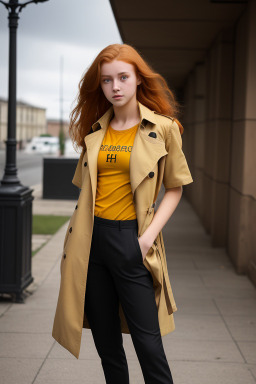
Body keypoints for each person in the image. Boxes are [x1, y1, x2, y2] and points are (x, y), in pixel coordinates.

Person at [52, 43, 193, 383]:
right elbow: (86, 191)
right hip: (91, 242)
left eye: (123, 78)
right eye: (106, 80)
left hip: (131, 238)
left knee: (148, 344)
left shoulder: (163, 128)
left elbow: (175, 188)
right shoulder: (94, 132)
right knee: (106, 343)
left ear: (138, 80)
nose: (114, 87)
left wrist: (144, 241)